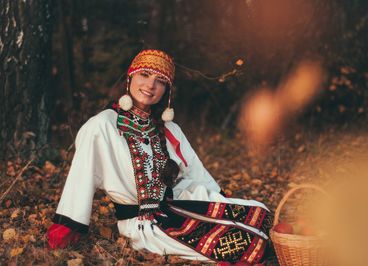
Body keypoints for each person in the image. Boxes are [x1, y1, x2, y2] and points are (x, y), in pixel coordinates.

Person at [47, 49, 273, 264]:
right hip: (144, 225)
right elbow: (81, 176)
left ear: (167, 90)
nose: (150, 85)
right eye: (144, 75)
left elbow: (194, 170)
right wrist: (68, 226)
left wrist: (221, 201)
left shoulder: (169, 128)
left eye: (160, 81)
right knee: (248, 243)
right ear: (130, 77)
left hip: (177, 205)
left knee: (261, 214)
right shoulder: (102, 125)